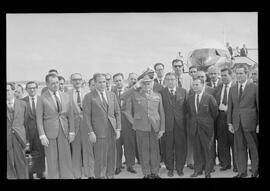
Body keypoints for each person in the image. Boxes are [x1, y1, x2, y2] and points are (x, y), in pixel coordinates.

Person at [121, 74, 165, 179]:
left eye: (149, 83)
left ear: (152, 83)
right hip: (141, 127)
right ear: (141, 84)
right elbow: (122, 97)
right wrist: (135, 86)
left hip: (155, 127)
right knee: (143, 150)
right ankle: (146, 173)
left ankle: (155, 172)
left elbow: (161, 112)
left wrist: (162, 129)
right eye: (144, 83)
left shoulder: (157, 95)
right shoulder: (135, 94)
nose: (147, 85)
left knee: (155, 151)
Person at [36, 73, 75, 179]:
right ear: (47, 84)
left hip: (64, 131)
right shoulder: (41, 98)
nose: (56, 85)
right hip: (49, 133)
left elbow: (70, 115)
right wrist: (42, 135)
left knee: (65, 157)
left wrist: (72, 131)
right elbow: (39, 119)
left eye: (57, 82)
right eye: (53, 83)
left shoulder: (66, 96)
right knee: (52, 158)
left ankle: (67, 176)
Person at [82, 73, 121, 179]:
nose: (102, 84)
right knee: (100, 158)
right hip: (98, 132)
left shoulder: (112, 95)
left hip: (111, 131)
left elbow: (117, 113)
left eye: (104, 82)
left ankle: (110, 174)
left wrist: (118, 129)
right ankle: (100, 176)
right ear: (94, 83)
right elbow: (86, 116)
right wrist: (91, 132)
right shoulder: (89, 97)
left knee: (112, 155)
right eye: (99, 82)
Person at [227, 64, 259, 178]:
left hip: (250, 123)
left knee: (253, 148)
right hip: (237, 124)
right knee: (240, 149)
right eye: (237, 73)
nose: (239, 75)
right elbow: (230, 107)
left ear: (247, 74)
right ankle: (242, 172)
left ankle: (255, 171)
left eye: (241, 73)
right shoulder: (232, 88)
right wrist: (229, 123)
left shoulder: (254, 87)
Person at [187, 78, 218, 178]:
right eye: (193, 85)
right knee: (197, 150)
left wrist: (207, 122)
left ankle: (208, 171)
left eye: (197, 85)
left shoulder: (209, 97)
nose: (195, 86)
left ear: (202, 85)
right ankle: (198, 170)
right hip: (195, 128)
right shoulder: (190, 98)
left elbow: (215, 113)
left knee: (208, 150)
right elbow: (189, 113)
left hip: (207, 129)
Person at [160, 72, 188, 177]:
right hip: (167, 125)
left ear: (176, 80)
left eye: (172, 79)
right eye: (168, 79)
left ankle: (180, 168)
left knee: (181, 147)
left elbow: (186, 109)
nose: (170, 81)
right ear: (165, 81)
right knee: (168, 147)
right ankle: (170, 168)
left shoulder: (183, 91)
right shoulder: (161, 93)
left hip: (180, 125)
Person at [67, 73, 94, 179]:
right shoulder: (67, 94)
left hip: (87, 125)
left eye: (79, 79)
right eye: (74, 80)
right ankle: (77, 174)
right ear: (71, 81)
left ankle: (90, 173)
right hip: (74, 126)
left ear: (82, 80)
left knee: (89, 151)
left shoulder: (88, 93)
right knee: (76, 151)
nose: (77, 81)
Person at [213, 68, 237, 172]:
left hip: (233, 117)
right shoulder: (217, 88)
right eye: (221, 75)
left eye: (225, 75)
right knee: (223, 142)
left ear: (231, 75)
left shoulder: (236, 87)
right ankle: (226, 163)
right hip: (221, 117)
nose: (223, 77)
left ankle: (237, 165)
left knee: (235, 142)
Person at [22, 81, 46, 179]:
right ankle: (30, 174)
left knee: (41, 154)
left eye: (34, 88)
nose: (32, 90)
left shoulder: (42, 100)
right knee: (28, 154)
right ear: (26, 90)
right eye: (30, 88)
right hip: (27, 133)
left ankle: (41, 173)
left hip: (40, 133)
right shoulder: (22, 101)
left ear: (37, 88)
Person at [7, 83, 29, 179]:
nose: (6, 92)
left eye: (8, 90)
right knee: (9, 163)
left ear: (13, 91)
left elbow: (26, 122)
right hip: (7, 138)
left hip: (19, 137)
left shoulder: (23, 104)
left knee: (21, 162)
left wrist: (26, 139)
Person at [112, 73, 126, 175]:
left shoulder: (129, 91)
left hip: (128, 122)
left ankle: (130, 165)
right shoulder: (111, 93)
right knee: (117, 145)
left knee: (129, 145)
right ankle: (117, 166)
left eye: (120, 80)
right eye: (116, 81)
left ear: (123, 80)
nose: (118, 83)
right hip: (116, 123)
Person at [185, 66, 198, 170]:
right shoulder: (188, 87)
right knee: (190, 141)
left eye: (195, 72)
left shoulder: (202, 86)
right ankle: (190, 161)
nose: (193, 74)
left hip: (202, 120)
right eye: (191, 72)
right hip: (190, 118)